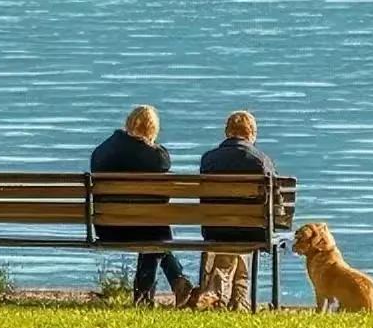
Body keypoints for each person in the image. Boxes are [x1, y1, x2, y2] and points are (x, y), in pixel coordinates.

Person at [91, 105, 193, 308]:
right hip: (145, 228)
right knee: (157, 232)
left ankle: (149, 297)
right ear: (152, 130)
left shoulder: (101, 152)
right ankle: (169, 283)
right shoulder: (156, 157)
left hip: (108, 227)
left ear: (128, 122)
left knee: (154, 230)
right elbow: (164, 164)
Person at [190, 109, 275, 312]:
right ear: (251, 134)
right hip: (252, 230)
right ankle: (237, 299)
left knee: (230, 228)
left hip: (214, 229)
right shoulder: (261, 161)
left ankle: (222, 296)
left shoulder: (208, 159)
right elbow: (276, 204)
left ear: (227, 132)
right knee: (244, 228)